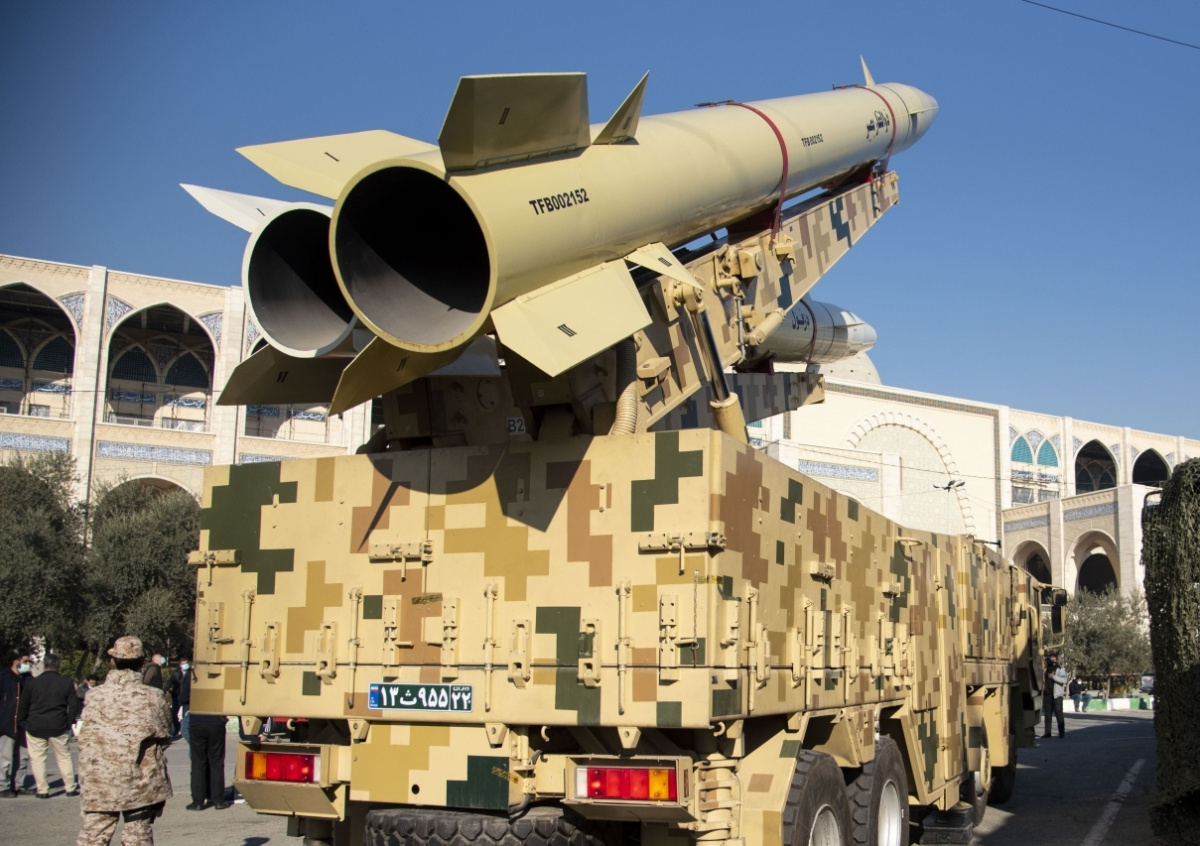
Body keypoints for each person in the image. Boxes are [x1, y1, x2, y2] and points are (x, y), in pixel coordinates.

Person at [76, 636, 173, 846]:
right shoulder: (153, 696)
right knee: (137, 837)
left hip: (99, 780)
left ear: (112, 661)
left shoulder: (94, 696)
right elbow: (166, 733)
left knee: (94, 836)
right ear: (142, 662)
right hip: (140, 780)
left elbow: (85, 735)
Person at [17, 651, 80, 797]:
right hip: (59, 724)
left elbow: (23, 705)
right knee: (64, 757)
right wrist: (70, 722)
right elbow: (74, 705)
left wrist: (23, 723)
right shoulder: (66, 682)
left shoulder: (32, 683)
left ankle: (42, 790)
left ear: (44, 665)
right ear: (58, 666)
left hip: (35, 725)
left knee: (38, 759)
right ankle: (70, 787)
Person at [0, 649, 31, 797]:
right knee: (5, 757)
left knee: (23, 757)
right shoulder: (3, 678)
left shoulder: (28, 679)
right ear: (16, 662)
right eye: (25, 661)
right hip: (7, 724)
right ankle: (3, 786)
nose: (27, 664)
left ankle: (19, 784)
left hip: (23, 725)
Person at [188, 709, 229, 810]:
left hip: (197, 721)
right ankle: (218, 801)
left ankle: (198, 802)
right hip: (216, 721)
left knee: (198, 764)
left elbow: (183, 700)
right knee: (217, 764)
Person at [1042, 654, 1068, 738]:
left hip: (1057, 695)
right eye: (1050, 660)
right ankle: (1047, 732)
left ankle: (1061, 732)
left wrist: (1053, 676)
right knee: (1047, 714)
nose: (1052, 662)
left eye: (1054, 660)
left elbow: (1064, 680)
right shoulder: (1045, 670)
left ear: (1056, 660)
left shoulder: (1060, 670)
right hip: (1047, 694)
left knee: (1059, 714)